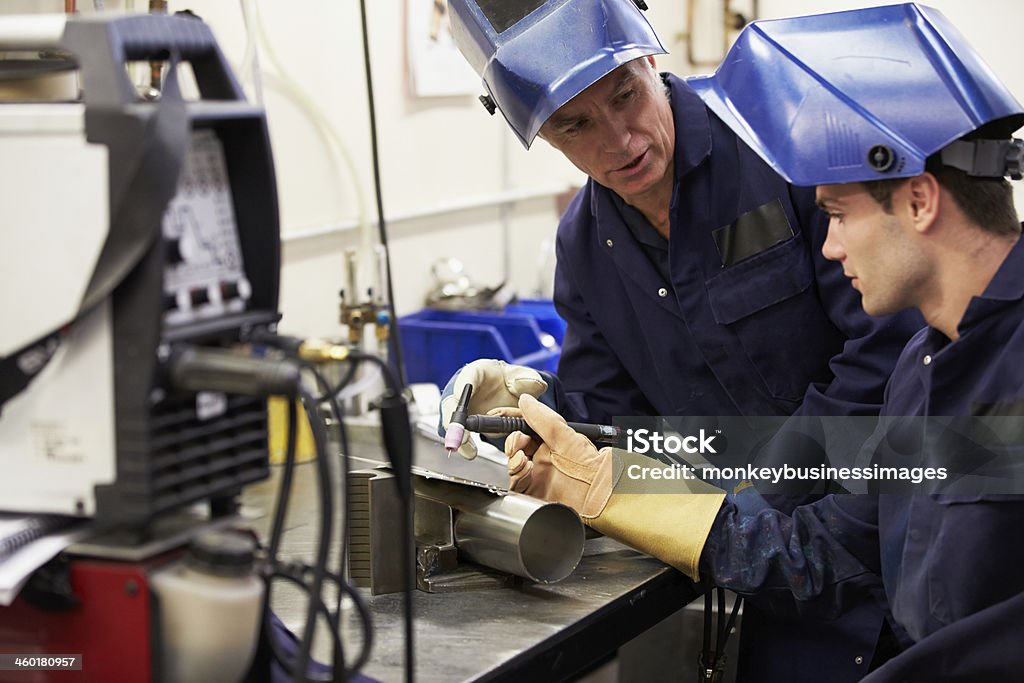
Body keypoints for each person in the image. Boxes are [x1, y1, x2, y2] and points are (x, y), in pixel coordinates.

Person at [501, 4, 1024, 681]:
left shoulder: (993, 384)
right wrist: (602, 473)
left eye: (836, 213)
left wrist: (740, 490)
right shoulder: (924, 374)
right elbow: (829, 551)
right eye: (575, 124)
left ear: (919, 201)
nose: (830, 246)